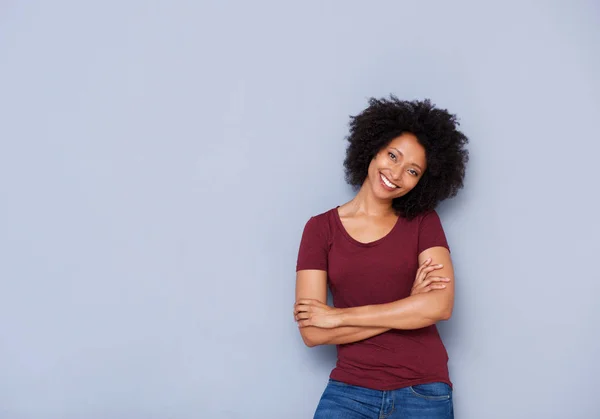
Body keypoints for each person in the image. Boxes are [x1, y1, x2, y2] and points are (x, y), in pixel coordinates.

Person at [294, 96, 469, 419]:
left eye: (412, 171)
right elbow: (313, 332)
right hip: (349, 389)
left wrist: (339, 317)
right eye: (393, 155)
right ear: (374, 147)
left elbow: (439, 306)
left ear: (422, 181)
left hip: (423, 390)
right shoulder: (320, 229)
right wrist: (410, 306)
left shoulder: (423, 222)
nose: (396, 173)